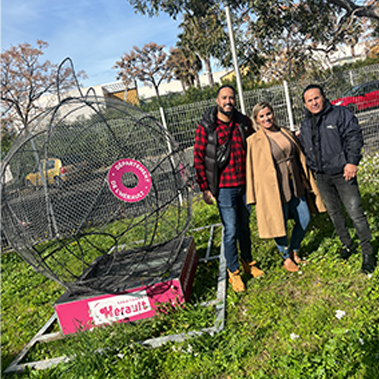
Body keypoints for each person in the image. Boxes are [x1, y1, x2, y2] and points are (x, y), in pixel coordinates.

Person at [194, 85, 264, 293]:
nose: (228, 101)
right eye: (224, 98)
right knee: (231, 229)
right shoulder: (207, 126)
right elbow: (198, 159)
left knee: (244, 227)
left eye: (231, 98)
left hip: (245, 184)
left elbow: (256, 145)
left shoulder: (243, 122)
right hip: (223, 188)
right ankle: (233, 272)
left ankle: (248, 263)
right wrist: (205, 188)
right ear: (217, 101)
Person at [299, 84, 375, 274]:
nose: (314, 102)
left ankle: (368, 253)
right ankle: (347, 244)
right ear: (305, 104)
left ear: (324, 97)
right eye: (310, 100)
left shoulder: (340, 114)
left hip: (343, 173)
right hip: (322, 177)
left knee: (355, 212)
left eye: (316, 98)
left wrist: (351, 162)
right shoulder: (306, 123)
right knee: (335, 213)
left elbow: (354, 136)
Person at [246, 102, 326, 272]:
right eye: (262, 116)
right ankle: (286, 257)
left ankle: (294, 250)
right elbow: (251, 170)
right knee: (278, 222)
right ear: (256, 120)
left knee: (304, 218)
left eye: (268, 114)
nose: (266, 118)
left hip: (294, 182)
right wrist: (252, 196)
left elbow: (298, 155)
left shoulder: (285, 132)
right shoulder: (253, 141)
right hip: (272, 188)